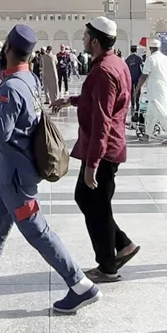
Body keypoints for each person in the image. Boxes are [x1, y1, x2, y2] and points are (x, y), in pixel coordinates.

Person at [0, 24, 101, 314]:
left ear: (8, 48)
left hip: (16, 180)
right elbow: (2, 65)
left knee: (37, 231)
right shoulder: (28, 78)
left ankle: (81, 285)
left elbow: (0, 131)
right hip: (8, 175)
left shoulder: (9, 90)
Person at [53, 17, 139, 283]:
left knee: (96, 203)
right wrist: (71, 100)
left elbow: (102, 118)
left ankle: (108, 266)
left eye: (86, 36)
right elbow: (102, 101)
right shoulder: (116, 64)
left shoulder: (103, 71)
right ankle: (122, 244)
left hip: (103, 149)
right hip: (108, 146)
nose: (83, 40)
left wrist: (92, 165)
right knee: (91, 201)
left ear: (95, 41)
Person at [135, 38, 167, 142]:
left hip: (155, 89)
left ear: (151, 48)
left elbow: (144, 76)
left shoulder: (150, 59)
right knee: (150, 113)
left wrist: (137, 89)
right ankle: (147, 135)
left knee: (161, 111)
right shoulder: (166, 59)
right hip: (163, 88)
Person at [126, 44, 143, 113]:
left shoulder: (128, 59)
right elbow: (141, 68)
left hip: (130, 78)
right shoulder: (139, 58)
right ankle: (137, 103)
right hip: (138, 77)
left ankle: (132, 104)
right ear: (136, 50)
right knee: (137, 90)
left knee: (131, 91)